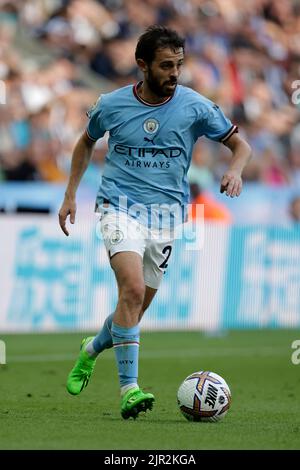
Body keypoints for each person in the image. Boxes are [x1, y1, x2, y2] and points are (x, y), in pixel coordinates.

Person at [58, 25, 252, 420]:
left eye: (179, 64)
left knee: (134, 309)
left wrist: (236, 170)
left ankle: (92, 348)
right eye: (166, 65)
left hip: (166, 217)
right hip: (119, 207)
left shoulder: (195, 106)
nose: (175, 73)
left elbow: (240, 144)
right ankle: (129, 390)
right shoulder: (111, 105)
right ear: (142, 65)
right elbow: (85, 141)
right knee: (129, 289)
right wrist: (70, 194)